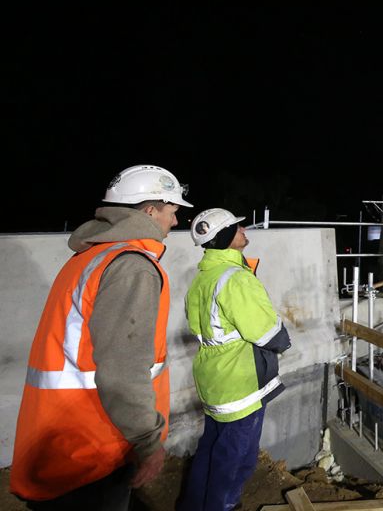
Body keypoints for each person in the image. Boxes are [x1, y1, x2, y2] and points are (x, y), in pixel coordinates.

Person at [10, 165, 193, 510]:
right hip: (93, 445)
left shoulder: (90, 256)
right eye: (172, 211)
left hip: (60, 441)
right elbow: (122, 368)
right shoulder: (131, 266)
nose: (176, 221)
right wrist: (148, 441)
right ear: (150, 210)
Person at [178, 208, 292, 511]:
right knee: (236, 459)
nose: (244, 230)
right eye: (237, 227)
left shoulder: (204, 278)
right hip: (240, 383)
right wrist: (283, 342)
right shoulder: (236, 279)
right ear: (228, 237)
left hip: (214, 380)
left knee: (211, 450)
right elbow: (268, 333)